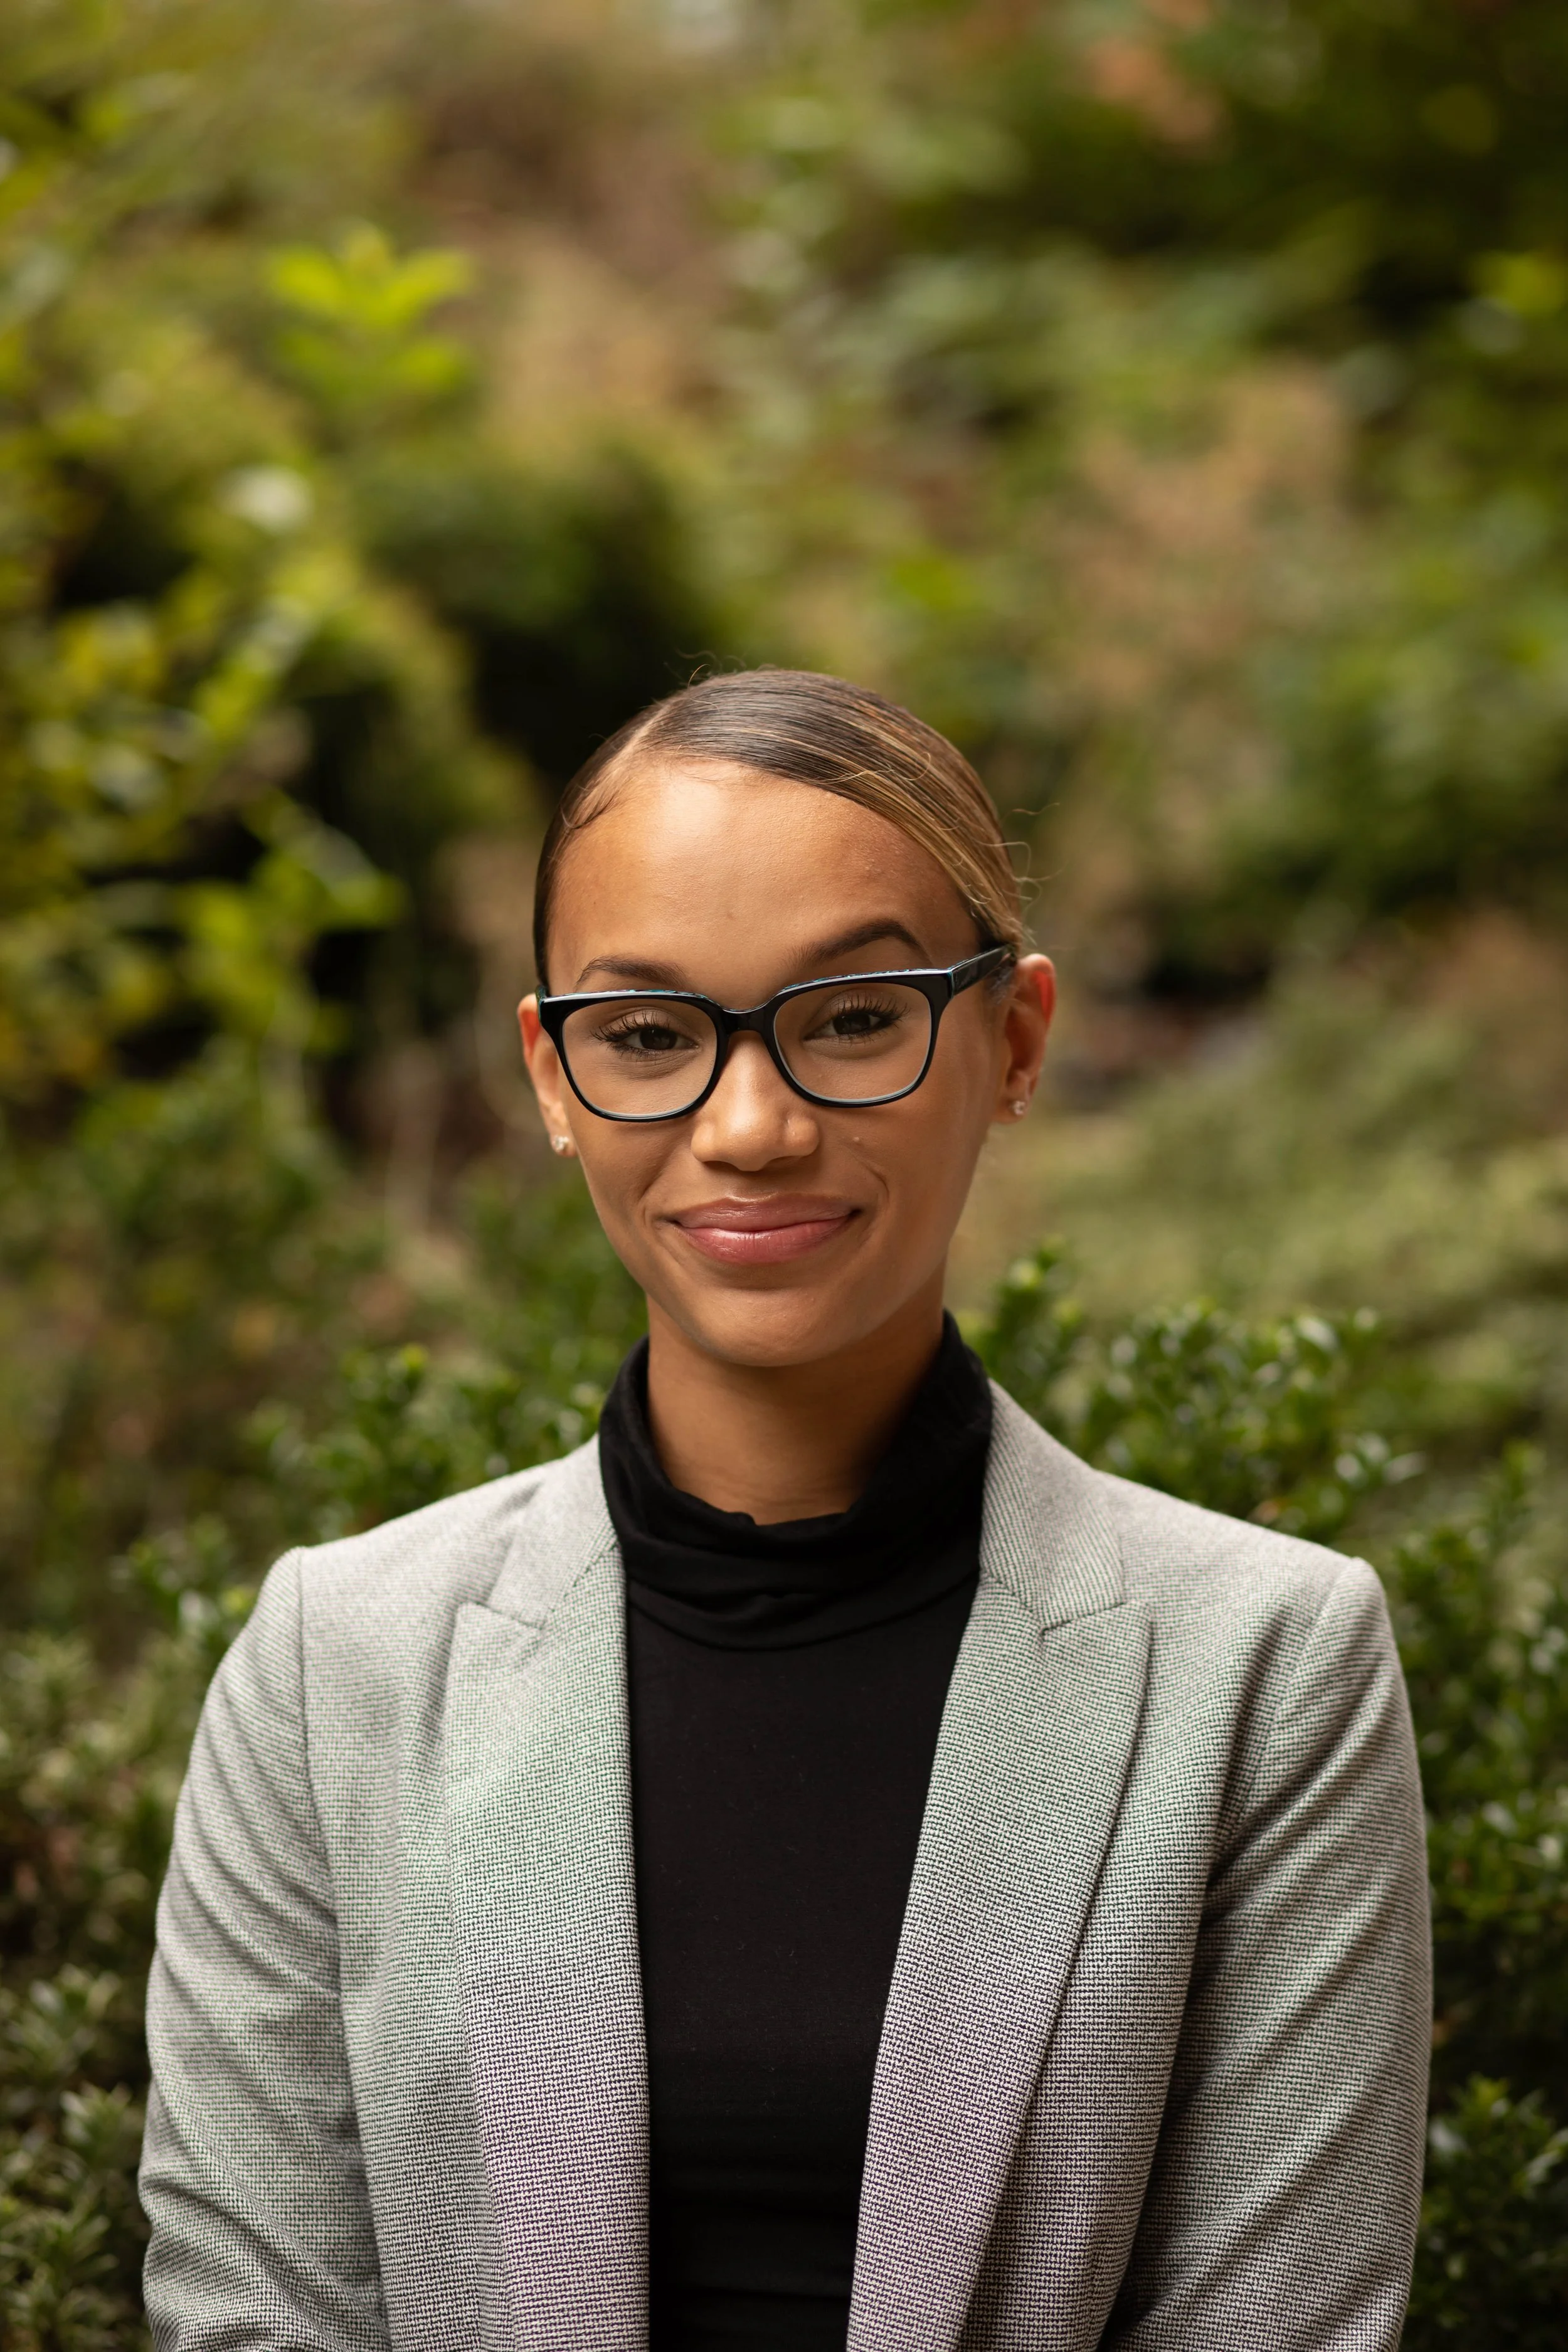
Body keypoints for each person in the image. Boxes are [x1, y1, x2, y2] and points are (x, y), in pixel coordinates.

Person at [140, 669, 1431, 2352]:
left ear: (1014, 1039)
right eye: (651, 1035)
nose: (748, 1126)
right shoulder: (339, 1662)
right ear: (551, 1072)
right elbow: (250, 2311)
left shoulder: (1262, 1665)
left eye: (852, 1015)